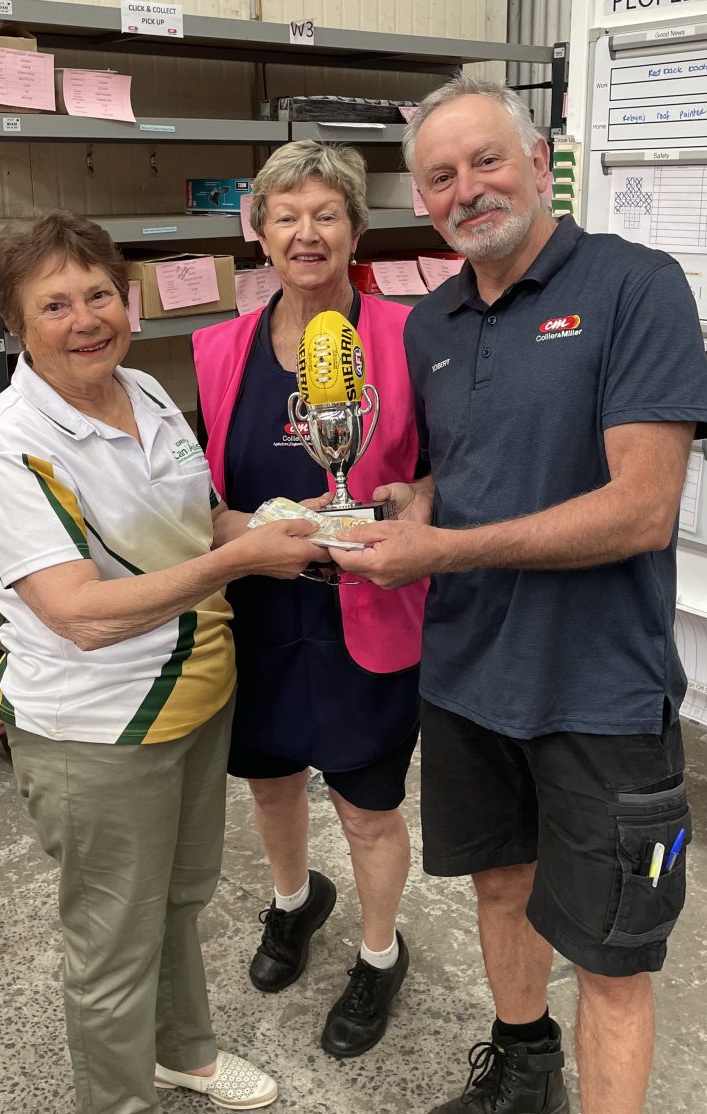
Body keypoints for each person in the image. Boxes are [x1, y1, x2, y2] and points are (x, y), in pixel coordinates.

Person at [328, 77, 707, 1114]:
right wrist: (419, 501)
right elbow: (480, 468)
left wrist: (441, 553)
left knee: (611, 951)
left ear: (541, 161)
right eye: (441, 176)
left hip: (603, 693)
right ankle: (524, 1075)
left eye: (486, 162)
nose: (466, 190)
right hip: (470, 680)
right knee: (501, 890)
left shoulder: (636, 286)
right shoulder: (434, 323)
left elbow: (641, 506)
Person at [0, 211, 322, 1114]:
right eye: (55, 304)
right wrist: (241, 559)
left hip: (197, 697)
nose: (85, 320)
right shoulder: (14, 438)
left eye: (98, 295)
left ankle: (184, 1052)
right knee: (112, 932)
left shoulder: (149, 391)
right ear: (18, 323)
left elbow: (196, 520)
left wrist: (285, 523)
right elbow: (75, 613)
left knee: (179, 898)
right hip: (97, 726)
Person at [192, 141, 428, 1058]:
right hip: (258, 609)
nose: (305, 233)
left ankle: (378, 955)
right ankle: (294, 904)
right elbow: (198, 499)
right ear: (259, 231)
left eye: (326, 214)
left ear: (356, 229)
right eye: (286, 215)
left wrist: (414, 508)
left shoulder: (409, 338)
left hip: (365, 610)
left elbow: (439, 477)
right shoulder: (218, 350)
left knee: (367, 805)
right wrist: (245, 534)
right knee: (272, 780)